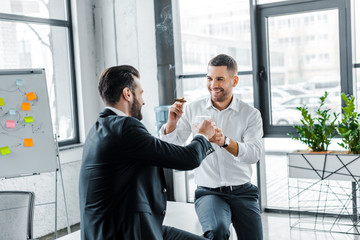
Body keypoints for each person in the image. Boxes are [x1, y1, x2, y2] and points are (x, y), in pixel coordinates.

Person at [79, 65, 217, 240]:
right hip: (125, 233)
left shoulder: (102, 127)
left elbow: (157, 153)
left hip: (126, 227)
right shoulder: (125, 127)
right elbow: (188, 159)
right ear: (127, 94)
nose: (143, 101)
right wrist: (203, 136)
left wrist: (171, 126)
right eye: (141, 93)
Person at [160, 54, 264, 240]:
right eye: (209, 78)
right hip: (208, 192)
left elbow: (254, 154)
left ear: (235, 80)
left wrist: (224, 141)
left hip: (243, 192)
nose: (213, 84)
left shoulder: (250, 114)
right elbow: (171, 147)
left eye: (220, 79)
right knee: (217, 231)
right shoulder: (193, 109)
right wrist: (171, 124)